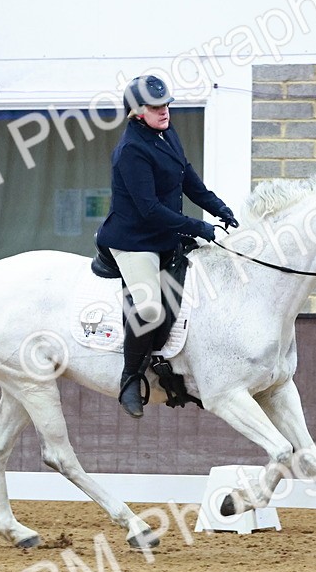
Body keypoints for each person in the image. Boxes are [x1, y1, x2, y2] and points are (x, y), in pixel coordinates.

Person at [96, 74, 238, 418]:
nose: (165, 111)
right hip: (134, 240)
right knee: (148, 308)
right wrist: (200, 227)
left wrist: (219, 207)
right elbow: (149, 210)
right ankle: (130, 378)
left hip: (164, 233)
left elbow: (188, 177)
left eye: (167, 105)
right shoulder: (131, 150)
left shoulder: (166, 135)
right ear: (136, 112)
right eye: (156, 107)